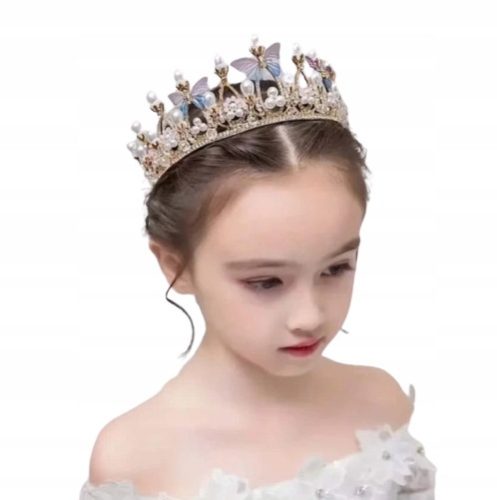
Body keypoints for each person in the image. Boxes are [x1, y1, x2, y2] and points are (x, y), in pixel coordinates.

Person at [79, 36, 437, 499]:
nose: (309, 315)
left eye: (335, 269)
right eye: (266, 282)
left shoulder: (379, 404)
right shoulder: (136, 457)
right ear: (176, 265)